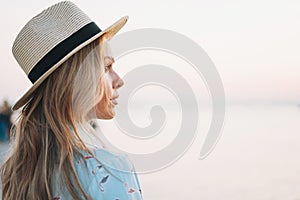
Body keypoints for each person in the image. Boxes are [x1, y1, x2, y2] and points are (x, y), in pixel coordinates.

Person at [0, 1, 143, 200]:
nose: (119, 80)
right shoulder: (111, 170)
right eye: (107, 67)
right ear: (80, 79)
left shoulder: (13, 174)